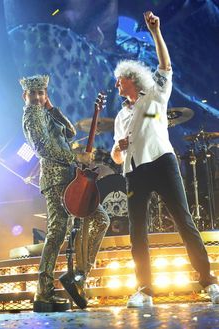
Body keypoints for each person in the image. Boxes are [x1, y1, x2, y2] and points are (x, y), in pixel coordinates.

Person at [111, 11, 219, 307]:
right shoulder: (121, 116)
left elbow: (165, 65)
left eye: (120, 82)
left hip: (162, 162)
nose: (117, 87)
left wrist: (155, 32)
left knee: (184, 221)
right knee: (137, 232)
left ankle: (209, 282)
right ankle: (145, 290)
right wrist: (119, 148)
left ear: (132, 80)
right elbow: (115, 154)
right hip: (134, 173)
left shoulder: (155, 97)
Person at [20, 75, 110, 308]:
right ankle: (43, 291)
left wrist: (52, 107)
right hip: (56, 180)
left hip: (71, 178)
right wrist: (76, 157)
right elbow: (44, 147)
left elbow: (69, 132)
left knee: (99, 219)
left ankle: (79, 273)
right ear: (25, 96)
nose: (38, 97)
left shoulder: (45, 111)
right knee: (58, 232)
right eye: (34, 94)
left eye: (42, 93)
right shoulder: (31, 115)